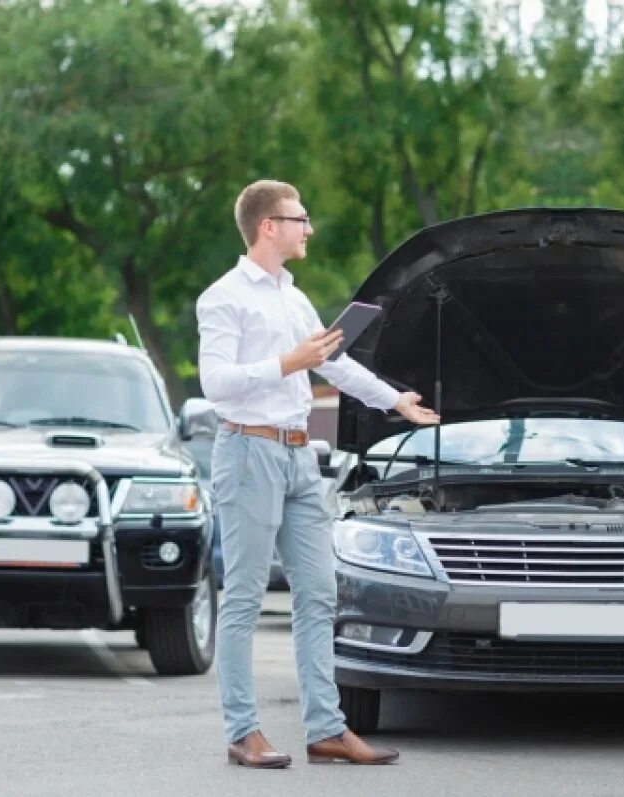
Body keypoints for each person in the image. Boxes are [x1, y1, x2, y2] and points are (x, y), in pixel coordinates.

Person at [196, 179, 438, 768]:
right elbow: (215, 384)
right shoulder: (223, 297)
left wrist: (395, 400)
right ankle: (242, 731)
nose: (309, 227)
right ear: (268, 227)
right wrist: (288, 363)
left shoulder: (293, 298)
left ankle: (327, 728)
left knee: (319, 595)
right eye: (299, 219)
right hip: (249, 453)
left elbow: (337, 362)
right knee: (246, 598)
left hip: (303, 458)